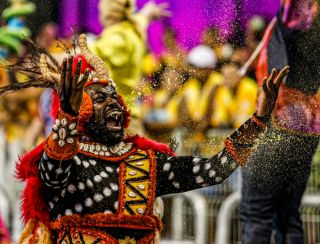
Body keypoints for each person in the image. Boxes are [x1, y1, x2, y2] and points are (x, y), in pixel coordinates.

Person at [10, 34, 288, 243]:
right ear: (80, 109)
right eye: (99, 98)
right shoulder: (68, 161)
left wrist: (260, 120)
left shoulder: (146, 160)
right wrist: (67, 117)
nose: (113, 104)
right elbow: (52, 173)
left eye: (114, 98)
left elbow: (213, 170)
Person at [240, 1, 320, 243]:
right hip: (308, 125)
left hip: (278, 120)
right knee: (288, 216)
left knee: (257, 214)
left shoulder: (305, 12)